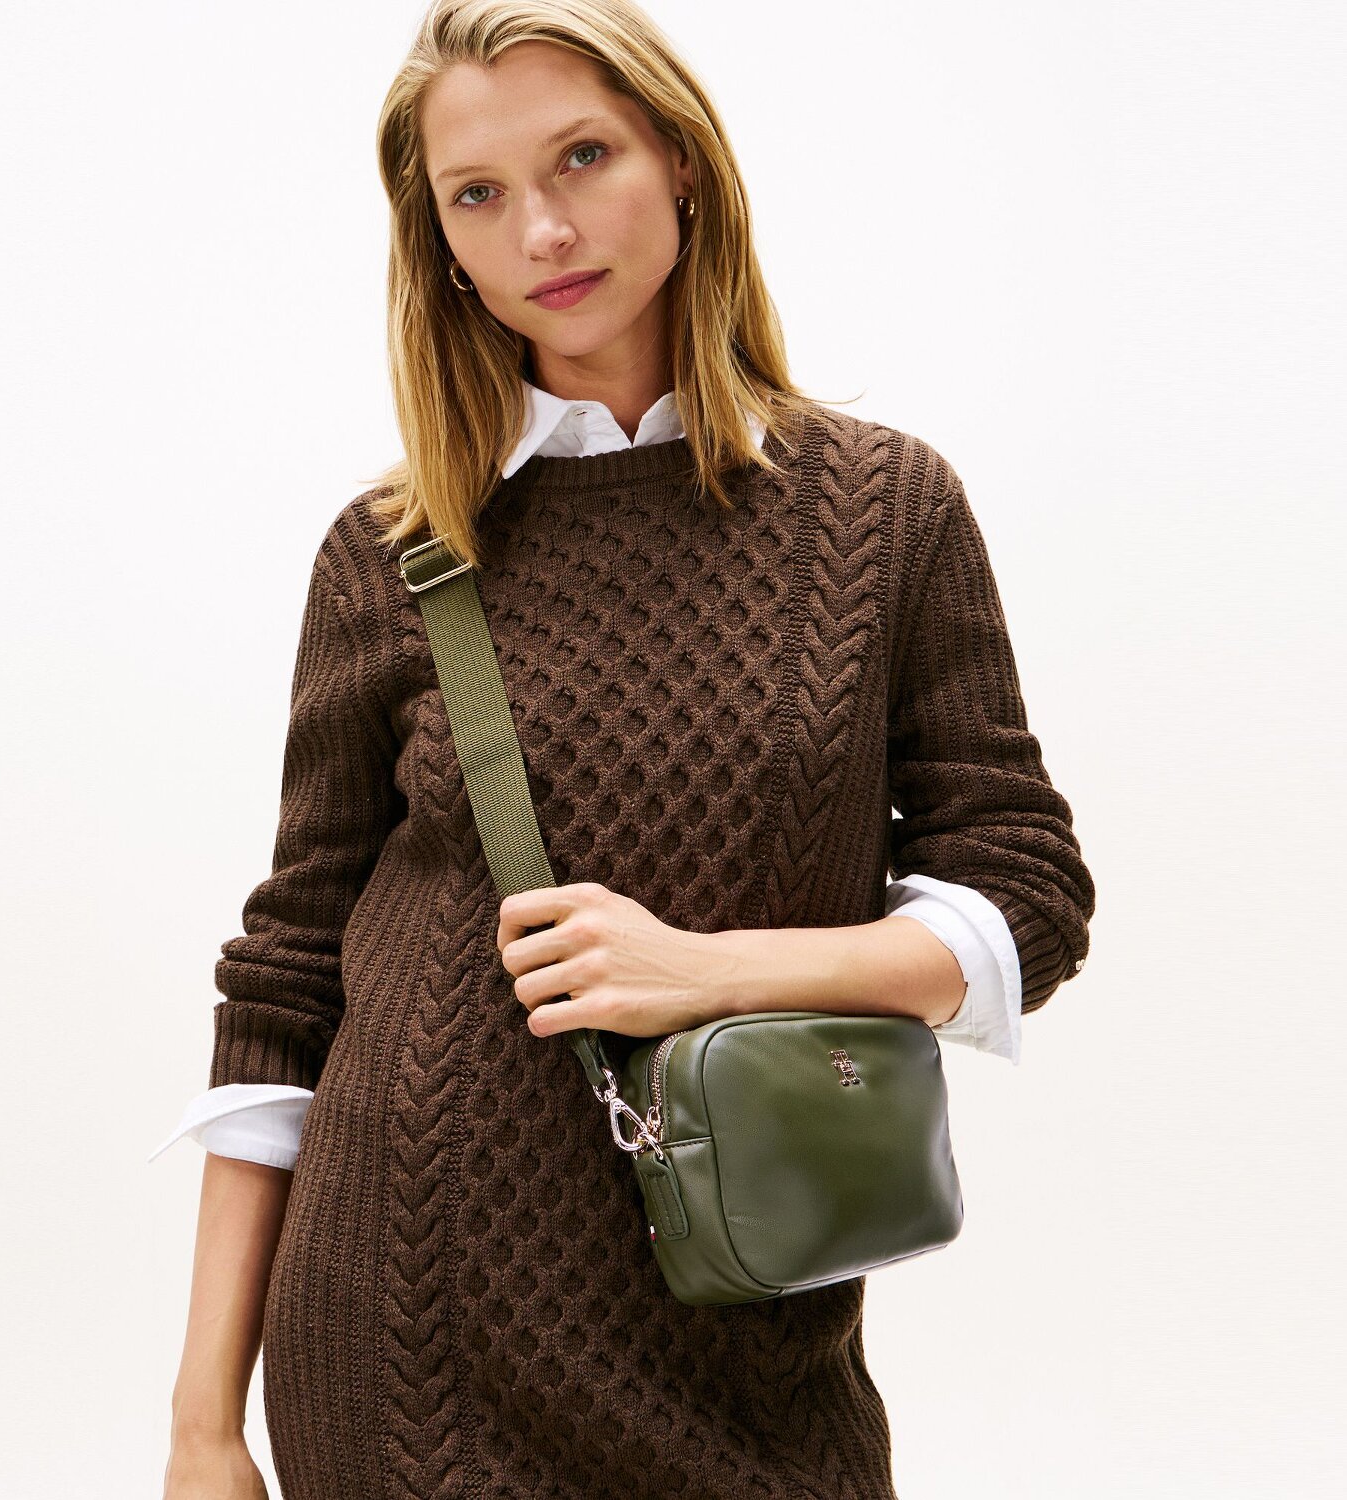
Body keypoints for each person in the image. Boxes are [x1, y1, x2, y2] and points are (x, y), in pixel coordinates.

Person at [154, 2, 1097, 1497]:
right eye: (477, 193)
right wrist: (205, 1425)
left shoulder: (883, 512)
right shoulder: (393, 552)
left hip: (751, 1340)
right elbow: (286, 985)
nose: (541, 229)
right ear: (440, 245)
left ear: (684, 162)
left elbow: (1026, 897)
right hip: (404, 1344)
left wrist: (711, 972)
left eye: (583, 157)